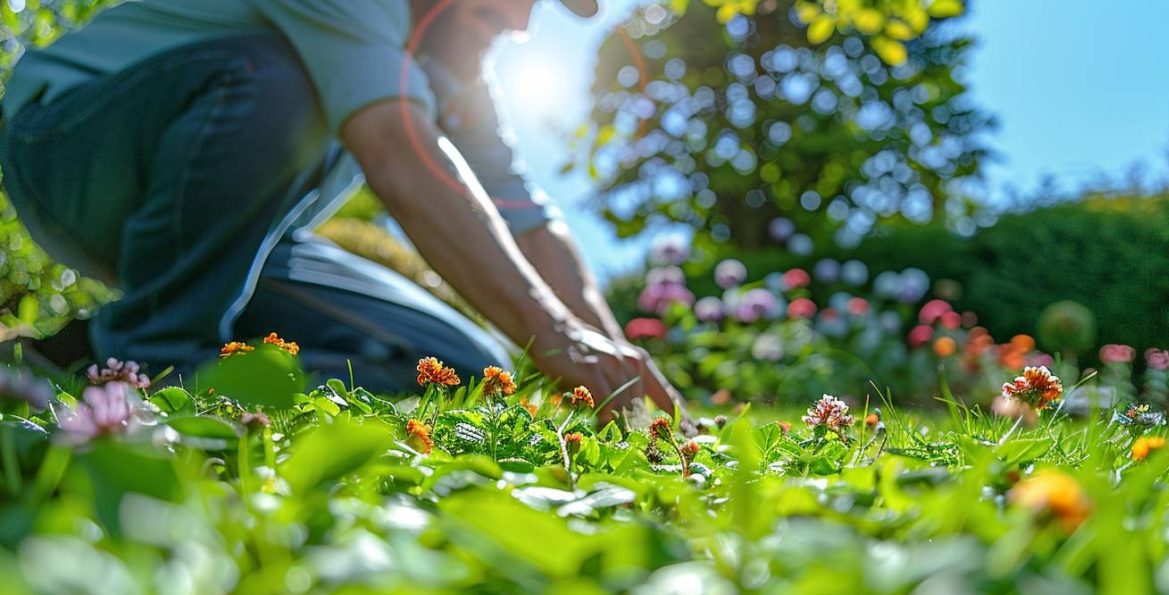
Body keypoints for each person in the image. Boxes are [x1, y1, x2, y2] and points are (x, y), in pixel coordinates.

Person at [0, 0, 681, 413]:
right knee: (280, 80)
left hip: (251, 240)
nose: (522, 18)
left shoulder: (458, 70)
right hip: (66, 148)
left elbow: (528, 222)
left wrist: (611, 357)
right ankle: (151, 355)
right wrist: (557, 335)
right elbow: (397, 154)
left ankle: (87, 356)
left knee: (460, 367)